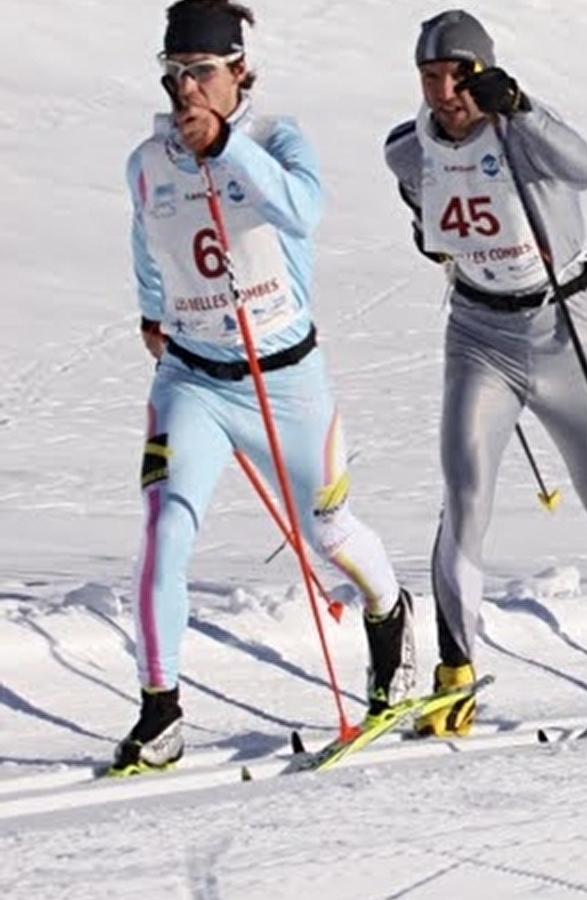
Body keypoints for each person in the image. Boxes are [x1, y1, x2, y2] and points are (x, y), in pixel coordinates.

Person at [118, 0, 412, 775]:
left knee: (330, 532)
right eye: (175, 73)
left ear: (239, 71)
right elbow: (147, 239)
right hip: (194, 380)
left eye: (202, 73)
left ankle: (390, 626)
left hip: (286, 381)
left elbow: (300, 210)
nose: (186, 89)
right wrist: (154, 312)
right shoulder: (148, 161)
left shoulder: (276, 139)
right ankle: (160, 711)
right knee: (165, 532)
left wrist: (225, 153)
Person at [383, 9, 587, 735]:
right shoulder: (406, 149)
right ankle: (454, 678)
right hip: (478, 333)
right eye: (431, 78)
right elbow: (421, 201)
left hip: (561, 330)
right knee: (465, 497)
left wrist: (521, 106)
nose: (446, 91)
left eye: (460, 75)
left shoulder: (521, 132)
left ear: (484, 73)